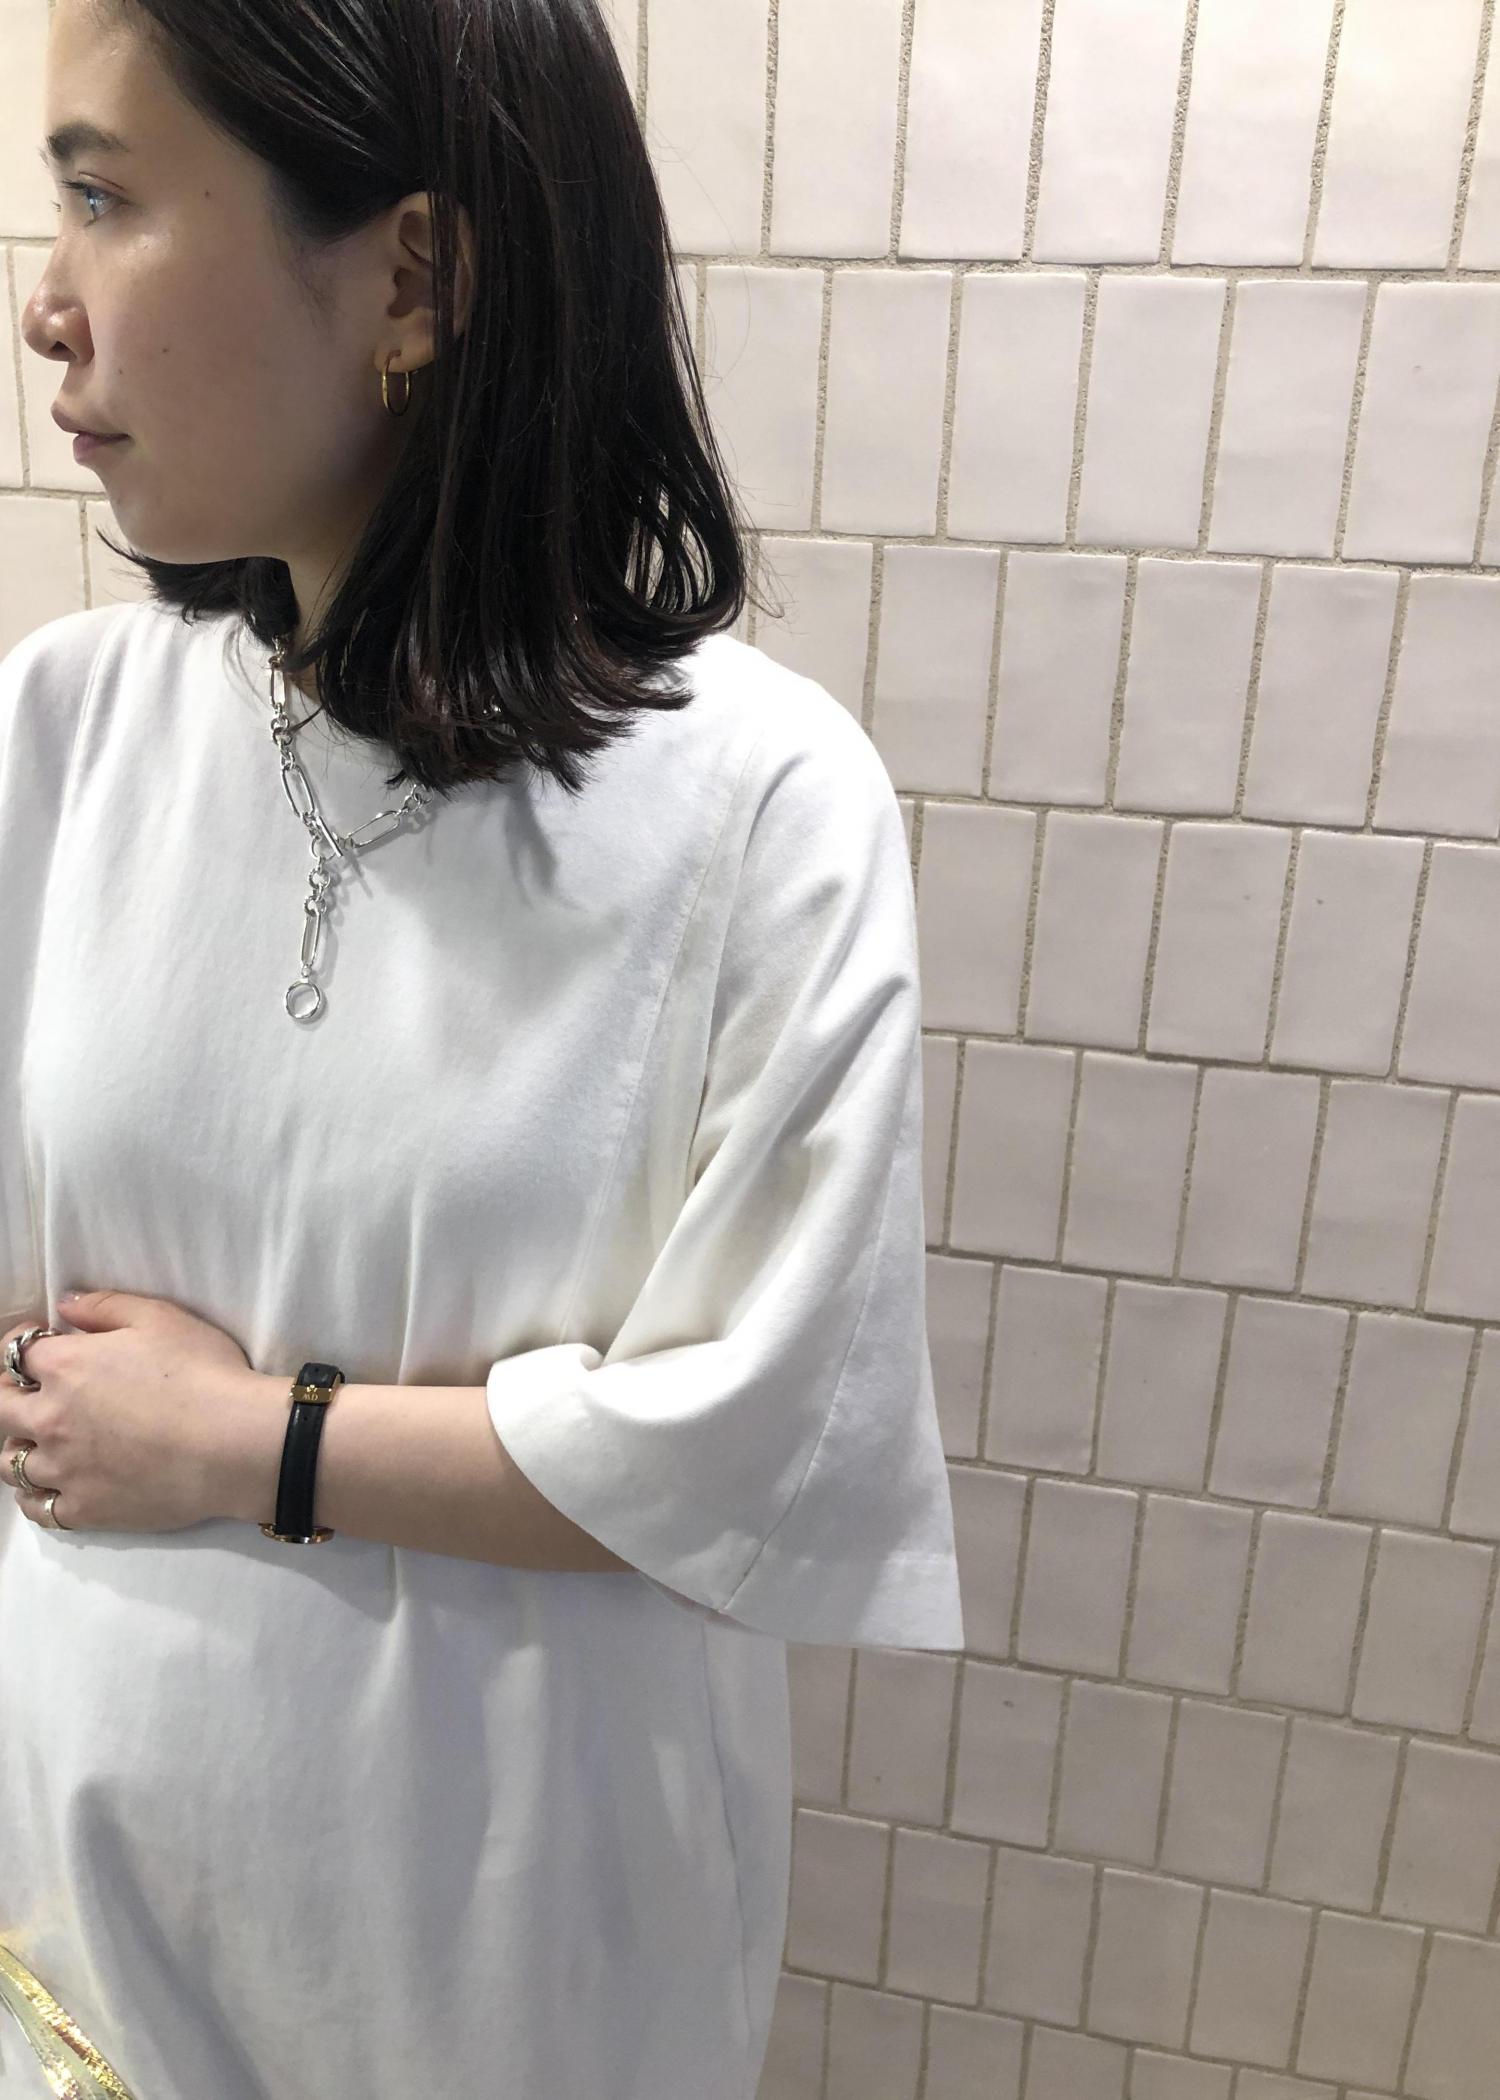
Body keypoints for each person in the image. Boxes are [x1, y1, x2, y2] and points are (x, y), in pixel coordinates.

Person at [0, 0, 965, 2094]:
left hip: (519, 1976)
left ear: (413, 278)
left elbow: (757, 1448)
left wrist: (246, 1442)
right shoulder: (64, 731)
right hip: (79, 1945)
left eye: (101, 197)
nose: (45, 307)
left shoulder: (756, 806)